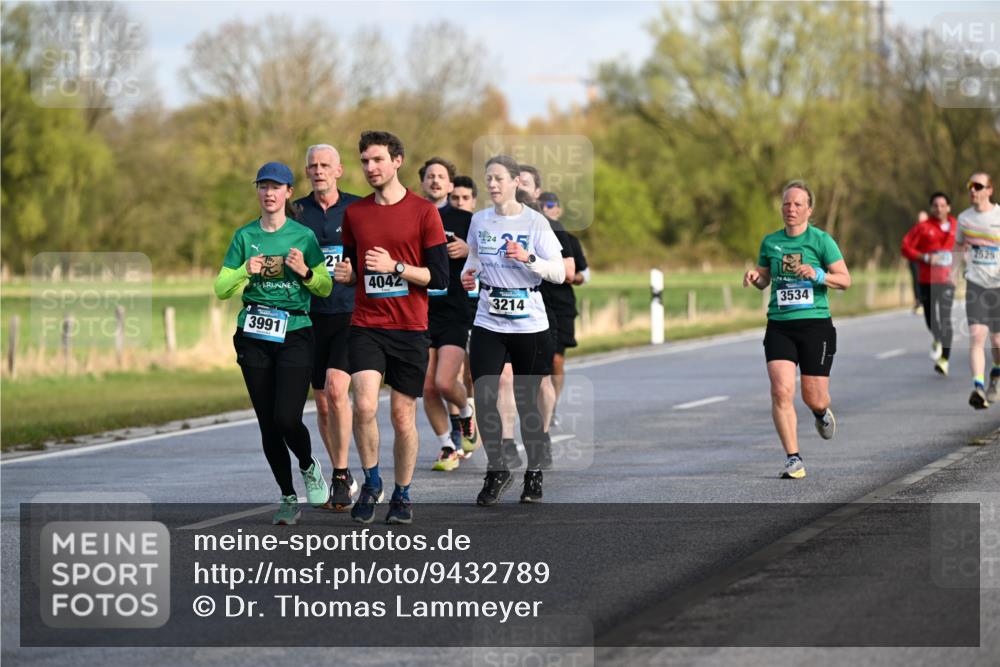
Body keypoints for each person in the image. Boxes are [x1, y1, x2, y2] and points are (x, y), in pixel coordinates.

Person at [333, 131, 449, 524]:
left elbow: (439, 277)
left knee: (402, 416)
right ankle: (370, 482)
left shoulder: (423, 212)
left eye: (378, 160)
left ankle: (402, 494)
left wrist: (396, 267)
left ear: (397, 161)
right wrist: (347, 275)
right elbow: (354, 271)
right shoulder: (356, 214)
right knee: (363, 404)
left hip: (410, 328)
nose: (370, 168)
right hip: (366, 324)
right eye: (365, 161)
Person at [213, 161, 332, 524]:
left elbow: (324, 287)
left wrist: (305, 272)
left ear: (288, 193)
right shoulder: (244, 236)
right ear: (258, 191)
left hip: (294, 331)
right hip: (254, 333)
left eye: (275, 187)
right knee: (268, 423)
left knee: (286, 417)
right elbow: (221, 289)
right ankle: (287, 496)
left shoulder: (303, 236)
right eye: (263, 186)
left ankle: (310, 466)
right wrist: (243, 271)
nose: (268, 193)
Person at [461, 155, 565, 505]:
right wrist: (469, 275)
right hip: (489, 318)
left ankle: (533, 473)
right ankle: (497, 469)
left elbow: (559, 272)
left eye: (498, 179)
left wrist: (528, 259)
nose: (491, 184)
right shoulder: (479, 220)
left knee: (526, 401)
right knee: (485, 398)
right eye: (488, 178)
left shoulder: (535, 222)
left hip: (530, 323)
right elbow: (474, 257)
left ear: (515, 182)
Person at [742, 180, 851, 480]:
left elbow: (844, 280)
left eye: (797, 204)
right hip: (780, 325)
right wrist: (755, 277)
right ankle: (793, 458)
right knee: (780, 391)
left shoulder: (820, 241)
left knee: (813, 396)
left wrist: (818, 274)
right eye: (786, 204)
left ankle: (820, 413)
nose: (791, 209)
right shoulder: (770, 242)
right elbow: (766, 278)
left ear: (809, 209)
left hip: (815, 325)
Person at [291, 144, 362, 511]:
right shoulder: (296, 211)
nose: (318, 171)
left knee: (337, 390)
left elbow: (373, 254)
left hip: (348, 313)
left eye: (325, 165)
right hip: (308, 315)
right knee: (320, 403)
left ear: (339, 170)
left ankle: (339, 473)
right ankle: (344, 472)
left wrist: (357, 274)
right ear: (307, 172)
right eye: (312, 166)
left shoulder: (358, 208)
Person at [417, 157, 478, 472]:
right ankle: (446, 446)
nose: (436, 180)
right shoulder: (410, 212)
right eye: (430, 176)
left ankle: (466, 413)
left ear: (451, 184)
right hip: (419, 310)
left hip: (454, 310)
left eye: (441, 176)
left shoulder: (466, 219)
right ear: (423, 182)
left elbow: (486, 255)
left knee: (444, 382)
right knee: (427, 387)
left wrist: (468, 250)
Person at [538, 191, 590, 429]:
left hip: (562, 304)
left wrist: (573, 277)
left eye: (550, 205)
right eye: (542, 205)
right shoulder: (531, 236)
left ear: (558, 210)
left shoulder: (568, 239)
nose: (546, 209)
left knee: (557, 361)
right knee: (539, 362)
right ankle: (541, 404)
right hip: (538, 301)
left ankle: (553, 404)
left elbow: (583, 274)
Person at [955, 171, 1000, 409]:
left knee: (997, 340)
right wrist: (953, 276)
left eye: (978, 186)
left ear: (989, 190)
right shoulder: (964, 219)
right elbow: (958, 245)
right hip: (976, 285)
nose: (973, 189)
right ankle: (978, 388)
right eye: (970, 185)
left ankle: (997, 373)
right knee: (977, 336)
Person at [900, 193, 957, 375]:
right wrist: (924, 256)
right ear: (931, 208)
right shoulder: (923, 228)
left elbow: (967, 247)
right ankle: (938, 338)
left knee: (946, 317)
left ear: (948, 207)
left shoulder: (958, 226)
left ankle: (945, 360)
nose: (939, 209)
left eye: (942, 205)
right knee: (931, 318)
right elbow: (905, 247)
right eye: (935, 205)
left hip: (948, 280)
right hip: (927, 280)